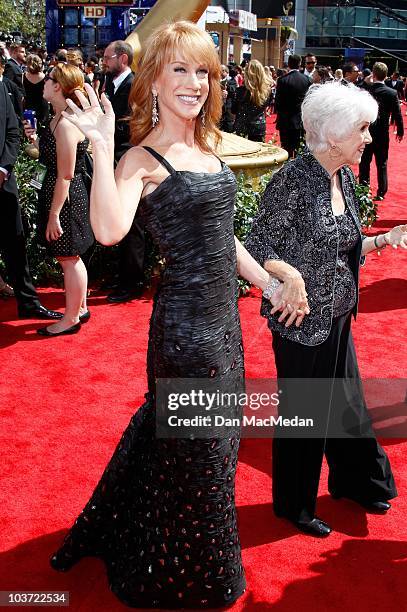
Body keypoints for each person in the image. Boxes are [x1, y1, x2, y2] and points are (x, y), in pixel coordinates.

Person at [49, 21, 278, 608]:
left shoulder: (206, 147)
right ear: (152, 79)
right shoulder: (139, 158)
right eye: (179, 69)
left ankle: (139, 527)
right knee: (201, 455)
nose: (193, 83)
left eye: (202, 71)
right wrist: (102, 149)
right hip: (184, 334)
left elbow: (222, 239)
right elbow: (106, 229)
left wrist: (267, 282)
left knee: (211, 444)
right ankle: (196, 577)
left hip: (225, 328)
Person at [246, 82, 405, 537]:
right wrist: (289, 275)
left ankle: (357, 482)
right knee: (305, 411)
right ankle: (292, 505)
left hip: (338, 312)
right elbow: (257, 247)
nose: (369, 138)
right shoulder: (294, 179)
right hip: (299, 320)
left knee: (346, 403)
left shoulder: (344, 177)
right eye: (362, 129)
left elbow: (342, 245)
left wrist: (380, 241)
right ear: (334, 135)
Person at [23, 63, 94, 336]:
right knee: (71, 257)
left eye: (48, 78)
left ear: (58, 87)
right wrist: (34, 139)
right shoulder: (56, 119)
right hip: (59, 193)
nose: (43, 81)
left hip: (65, 197)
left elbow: (65, 174)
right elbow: (48, 156)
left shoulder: (65, 124)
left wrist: (54, 215)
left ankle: (70, 318)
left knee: (68, 258)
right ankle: (81, 307)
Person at [0, 80, 61, 321]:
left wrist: (4, 168)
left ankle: (28, 303)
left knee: (15, 244)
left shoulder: (2, 88)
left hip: (3, 184)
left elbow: (13, 131)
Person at [103, 40, 146, 304]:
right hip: (114, 159)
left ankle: (133, 281)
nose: (104, 62)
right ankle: (121, 276)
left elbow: (137, 127)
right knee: (117, 220)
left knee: (133, 225)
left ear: (122, 59)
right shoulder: (109, 83)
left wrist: (107, 129)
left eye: (108, 58)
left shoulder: (135, 86)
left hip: (130, 161)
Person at [359, 62, 404, 201]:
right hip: (382, 134)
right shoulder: (391, 93)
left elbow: (354, 94)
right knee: (382, 163)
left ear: (373, 73)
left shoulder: (366, 91)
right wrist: (401, 131)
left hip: (367, 132)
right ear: (386, 75)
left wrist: (364, 83)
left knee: (364, 162)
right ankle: (381, 192)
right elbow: (397, 114)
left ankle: (363, 189)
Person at [274, 54, 310, 157]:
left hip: (285, 120)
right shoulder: (307, 80)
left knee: (286, 149)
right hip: (300, 120)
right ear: (300, 64)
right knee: (299, 148)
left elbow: (278, 102)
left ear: (288, 64)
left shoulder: (282, 80)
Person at [232, 59, 272, 142]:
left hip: (242, 128)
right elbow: (266, 106)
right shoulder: (267, 91)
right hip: (259, 128)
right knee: (257, 153)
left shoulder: (240, 91)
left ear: (247, 74)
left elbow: (233, 110)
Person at [23, 53, 49, 126]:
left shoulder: (23, 76)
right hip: (42, 105)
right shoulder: (45, 77)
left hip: (29, 106)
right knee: (43, 129)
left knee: (30, 128)